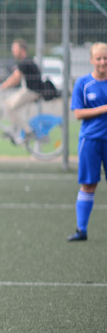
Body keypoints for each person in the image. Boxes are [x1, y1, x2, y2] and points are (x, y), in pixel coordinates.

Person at [67, 42, 107, 242]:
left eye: (106, 58)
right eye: (99, 58)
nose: (103, 62)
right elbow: (78, 113)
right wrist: (104, 108)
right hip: (90, 141)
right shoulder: (82, 84)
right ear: (91, 60)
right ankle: (81, 230)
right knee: (89, 184)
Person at [0, 38, 45, 143]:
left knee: (10, 108)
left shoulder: (25, 62)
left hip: (32, 92)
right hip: (28, 89)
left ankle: (28, 131)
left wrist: (1, 87)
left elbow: (15, 79)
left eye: (15, 49)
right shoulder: (26, 61)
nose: (13, 52)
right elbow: (15, 77)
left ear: (22, 50)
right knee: (8, 103)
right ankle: (15, 129)